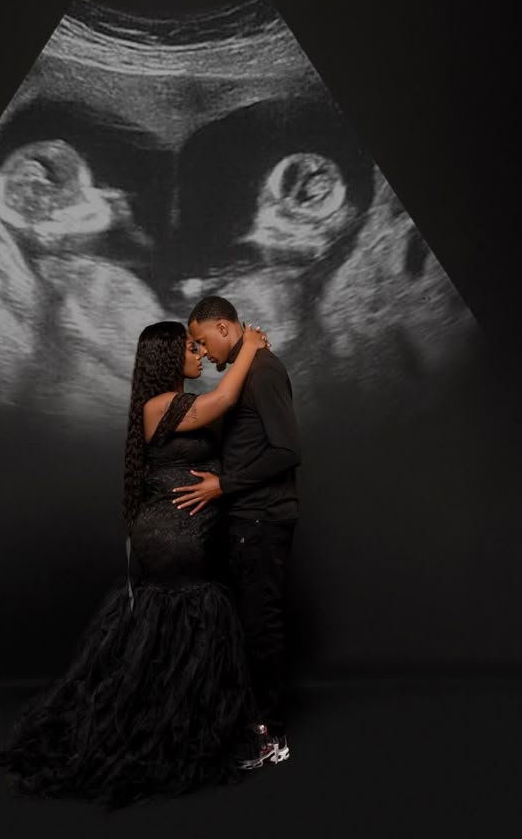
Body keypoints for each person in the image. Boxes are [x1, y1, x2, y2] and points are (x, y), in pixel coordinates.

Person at [0, 319, 271, 809]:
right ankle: (159, 736)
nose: (201, 354)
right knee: (185, 608)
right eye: (192, 347)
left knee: (185, 619)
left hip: (187, 529)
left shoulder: (174, 403)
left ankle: (178, 726)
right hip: (172, 533)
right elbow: (224, 400)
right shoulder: (157, 405)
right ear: (167, 358)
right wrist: (248, 346)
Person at [174, 295, 301, 770]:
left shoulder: (263, 370)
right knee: (248, 627)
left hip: (262, 519)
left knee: (259, 627)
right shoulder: (245, 369)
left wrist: (224, 485)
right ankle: (256, 727)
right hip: (249, 519)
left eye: (204, 341)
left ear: (225, 328)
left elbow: (287, 450)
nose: (203, 353)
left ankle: (273, 737)